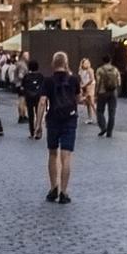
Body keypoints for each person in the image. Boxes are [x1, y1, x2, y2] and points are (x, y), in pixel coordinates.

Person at [36, 51, 81, 203]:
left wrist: (38, 124)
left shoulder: (48, 81)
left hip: (53, 120)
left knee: (53, 154)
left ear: (53, 64)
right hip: (70, 120)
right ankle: (64, 192)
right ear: (66, 63)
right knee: (66, 156)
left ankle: (54, 187)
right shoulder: (74, 79)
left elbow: (42, 102)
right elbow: (78, 99)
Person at [96, 54, 121, 138]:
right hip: (113, 92)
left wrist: (96, 92)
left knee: (99, 111)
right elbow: (119, 82)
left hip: (102, 92)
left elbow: (98, 82)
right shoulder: (115, 69)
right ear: (110, 60)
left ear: (103, 61)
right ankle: (109, 132)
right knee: (112, 113)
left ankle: (103, 127)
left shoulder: (100, 70)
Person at [21, 60, 45, 140]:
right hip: (38, 97)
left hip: (29, 98)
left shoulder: (26, 76)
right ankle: (38, 131)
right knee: (38, 115)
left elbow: (23, 87)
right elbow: (43, 86)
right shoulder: (40, 76)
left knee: (30, 115)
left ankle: (32, 132)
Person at [78, 57, 96, 125]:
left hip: (91, 85)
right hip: (85, 85)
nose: (86, 64)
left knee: (91, 102)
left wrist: (84, 85)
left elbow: (91, 79)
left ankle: (99, 117)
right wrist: (81, 86)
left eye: (87, 63)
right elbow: (82, 79)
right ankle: (90, 118)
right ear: (82, 64)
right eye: (85, 63)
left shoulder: (90, 70)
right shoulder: (81, 71)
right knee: (88, 103)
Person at [14, 51, 30, 123]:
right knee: (22, 101)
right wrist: (27, 78)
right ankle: (22, 116)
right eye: (27, 55)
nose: (28, 56)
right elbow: (21, 75)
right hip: (22, 85)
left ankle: (22, 115)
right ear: (23, 56)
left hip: (18, 84)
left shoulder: (19, 63)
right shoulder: (22, 65)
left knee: (21, 100)